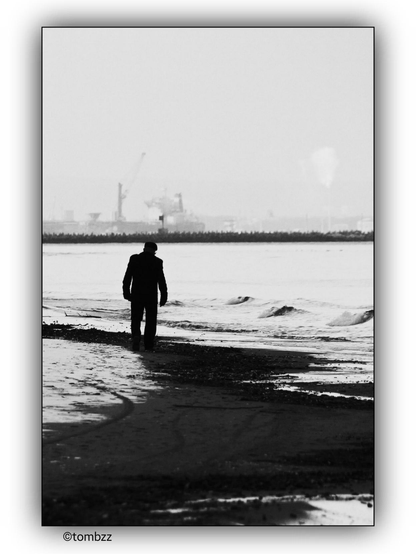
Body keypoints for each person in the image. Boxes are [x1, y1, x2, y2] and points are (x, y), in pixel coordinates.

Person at [122, 241, 168, 351]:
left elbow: (127, 277)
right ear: (154, 251)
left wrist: (126, 292)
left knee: (136, 318)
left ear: (144, 248)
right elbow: (161, 281)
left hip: (137, 294)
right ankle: (148, 344)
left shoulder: (134, 259)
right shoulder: (157, 262)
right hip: (151, 295)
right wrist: (164, 295)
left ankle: (136, 337)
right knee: (151, 320)